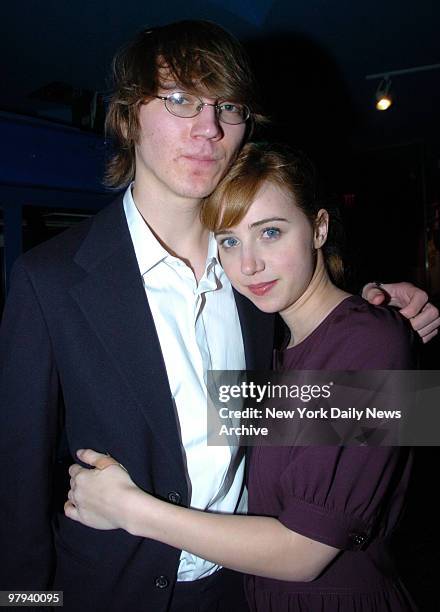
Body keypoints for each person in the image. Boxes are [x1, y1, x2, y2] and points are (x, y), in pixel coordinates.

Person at [0, 21, 438, 612]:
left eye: (227, 107)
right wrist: (28, 604)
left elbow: (331, 411)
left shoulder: (255, 281)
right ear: (128, 117)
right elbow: (16, 488)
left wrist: (382, 325)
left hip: (247, 587)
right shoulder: (46, 280)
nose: (208, 128)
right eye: (180, 99)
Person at [65, 143, 418, 611]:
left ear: (319, 228)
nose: (248, 264)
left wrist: (129, 508)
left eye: (270, 232)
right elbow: (412, 421)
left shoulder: (368, 340)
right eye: (229, 241)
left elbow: (304, 553)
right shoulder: (273, 344)